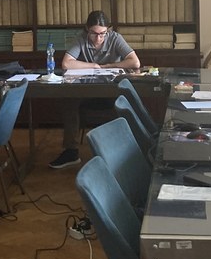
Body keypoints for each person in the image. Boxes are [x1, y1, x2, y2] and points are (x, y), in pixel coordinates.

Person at [48, 10, 141, 169]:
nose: (98, 38)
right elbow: (66, 64)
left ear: (108, 30)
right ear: (87, 29)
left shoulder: (115, 38)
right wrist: (95, 66)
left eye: (102, 33)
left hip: (111, 91)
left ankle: (122, 150)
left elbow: (135, 62)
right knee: (69, 101)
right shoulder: (81, 38)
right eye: (94, 33)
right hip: (87, 90)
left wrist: (109, 66)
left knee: (124, 100)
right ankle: (71, 151)